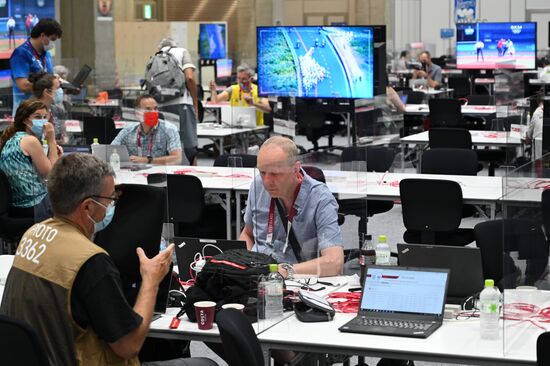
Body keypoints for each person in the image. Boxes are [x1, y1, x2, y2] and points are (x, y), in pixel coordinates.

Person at [0, 153, 216, 366]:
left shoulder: (32, 235)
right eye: (111, 199)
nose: (113, 206)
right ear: (87, 207)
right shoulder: (90, 261)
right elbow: (129, 346)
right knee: (206, 364)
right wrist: (151, 280)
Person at [240, 136, 344, 278]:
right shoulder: (257, 185)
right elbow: (247, 234)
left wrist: (283, 271)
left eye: (276, 174)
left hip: (296, 279)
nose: (267, 181)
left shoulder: (320, 198)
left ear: (296, 169)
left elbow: (334, 263)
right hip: (256, 275)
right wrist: (243, 263)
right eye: (262, 172)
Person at [0, 100, 59, 221]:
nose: (43, 122)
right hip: (32, 204)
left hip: (18, 203)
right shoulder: (30, 140)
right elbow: (51, 174)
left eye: (44, 117)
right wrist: (52, 141)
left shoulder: (13, 139)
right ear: (25, 119)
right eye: (37, 117)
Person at [155, 38, 199, 165]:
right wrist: (195, 100)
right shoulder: (182, 52)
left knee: (168, 143)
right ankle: (193, 176)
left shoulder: (156, 56)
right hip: (182, 103)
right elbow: (190, 78)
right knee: (190, 146)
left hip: (162, 105)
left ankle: (169, 178)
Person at [111, 94, 185, 165]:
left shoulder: (169, 129)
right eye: (148, 109)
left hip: (160, 175)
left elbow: (177, 159)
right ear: (137, 113)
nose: (153, 112)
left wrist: (147, 160)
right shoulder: (128, 130)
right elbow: (110, 151)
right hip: (134, 175)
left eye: (155, 109)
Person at [10, 18, 62, 114]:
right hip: (26, 111)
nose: (53, 44)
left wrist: (62, 84)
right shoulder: (21, 54)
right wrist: (49, 86)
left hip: (44, 110)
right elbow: (23, 85)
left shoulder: (47, 54)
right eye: (52, 39)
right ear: (42, 36)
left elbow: (49, 77)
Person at [29, 71, 67, 142]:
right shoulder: (29, 111)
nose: (60, 91)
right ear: (47, 91)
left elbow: (64, 137)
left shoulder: (58, 111)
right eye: (58, 88)